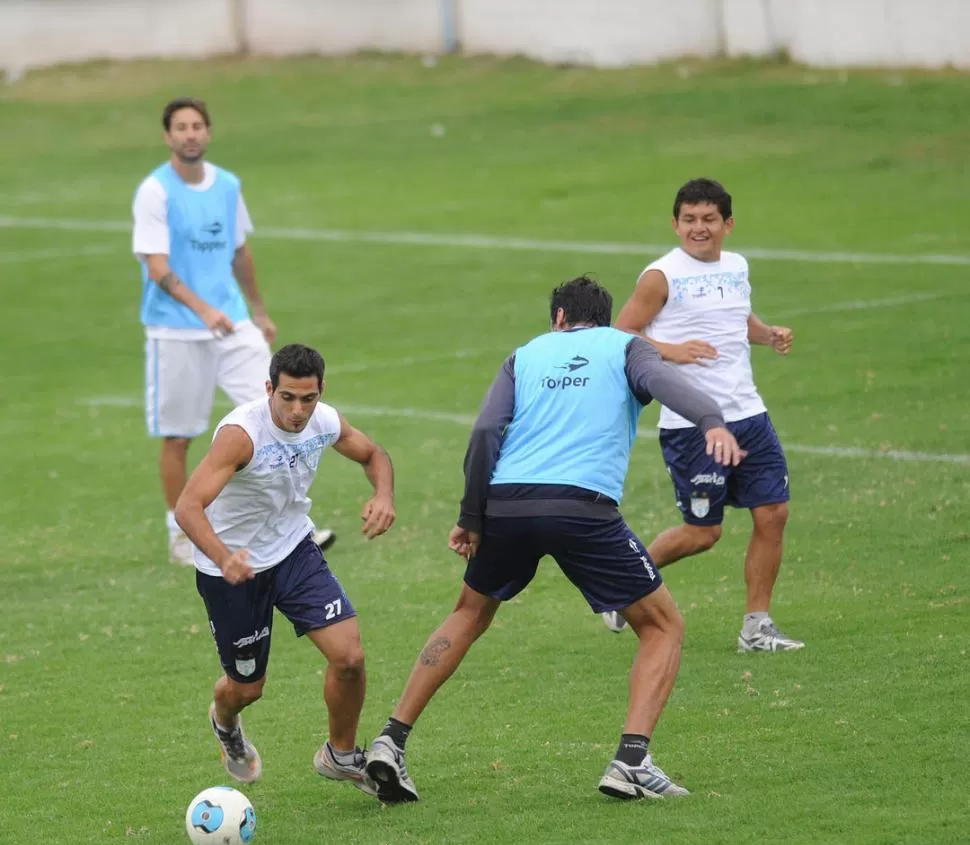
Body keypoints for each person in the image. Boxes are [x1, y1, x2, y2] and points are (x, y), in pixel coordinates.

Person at [363, 276, 743, 804]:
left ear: (559, 318)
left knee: (468, 613)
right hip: (580, 507)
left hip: (507, 503)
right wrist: (711, 421)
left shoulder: (525, 355)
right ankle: (631, 761)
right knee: (663, 626)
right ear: (602, 320)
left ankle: (391, 739)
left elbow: (483, 434)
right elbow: (663, 383)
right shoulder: (625, 346)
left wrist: (471, 515)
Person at [174, 344, 395, 791]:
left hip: (294, 550)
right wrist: (224, 558)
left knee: (349, 657)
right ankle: (225, 721)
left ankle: (341, 754)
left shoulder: (325, 421)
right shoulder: (242, 435)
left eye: (308, 399)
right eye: (288, 397)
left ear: (320, 392)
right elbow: (188, 507)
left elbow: (374, 455)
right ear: (269, 388)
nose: (298, 411)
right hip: (233, 571)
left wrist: (383, 495)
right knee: (247, 688)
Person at [600, 178, 803, 652]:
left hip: (749, 412)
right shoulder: (660, 276)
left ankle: (757, 627)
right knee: (703, 533)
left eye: (709, 219)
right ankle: (620, 589)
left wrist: (767, 334)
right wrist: (671, 351)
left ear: (727, 225)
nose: (699, 228)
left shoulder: (736, 266)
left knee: (773, 513)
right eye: (689, 219)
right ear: (675, 223)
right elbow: (620, 334)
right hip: (692, 423)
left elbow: (737, 317)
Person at [133, 96, 334, 566]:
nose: (189, 134)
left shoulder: (227, 185)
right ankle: (180, 532)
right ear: (168, 136)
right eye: (180, 127)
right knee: (179, 435)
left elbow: (241, 252)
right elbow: (156, 265)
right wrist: (202, 309)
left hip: (232, 323)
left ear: (208, 132)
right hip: (176, 330)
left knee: (277, 414)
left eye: (197, 125)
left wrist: (259, 311)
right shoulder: (154, 192)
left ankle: (289, 526)